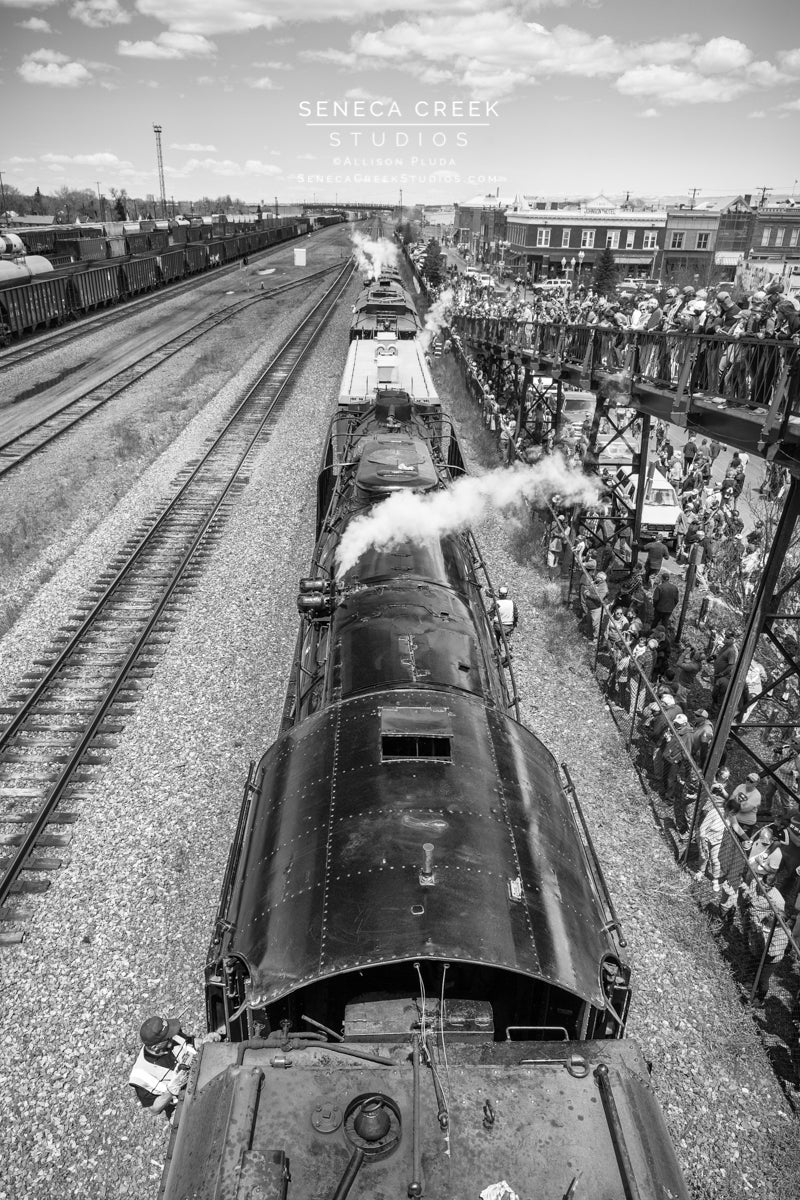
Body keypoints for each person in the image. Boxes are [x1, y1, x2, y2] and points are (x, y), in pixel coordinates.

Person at [129, 1015, 222, 1119]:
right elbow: (154, 1110)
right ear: (155, 1046)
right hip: (184, 1105)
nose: (172, 1036)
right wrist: (172, 1090)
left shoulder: (172, 1035)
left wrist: (205, 1042)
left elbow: (192, 1043)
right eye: (167, 1037)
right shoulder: (141, 1076)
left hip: (205, 1076)